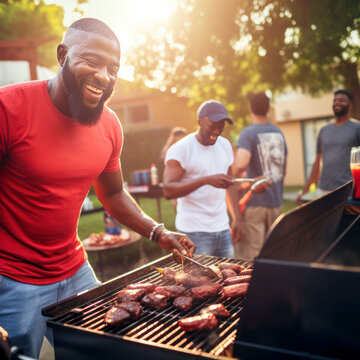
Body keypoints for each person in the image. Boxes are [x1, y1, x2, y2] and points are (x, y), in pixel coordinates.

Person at [0, 18, 195, 359]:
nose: (105, 77)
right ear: (63, 56)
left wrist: (158, 232)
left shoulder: (109, 125)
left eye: (113, 68)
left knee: (106, 350)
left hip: (75, 270)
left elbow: (114, 194)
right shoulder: (8, 108)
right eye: (92, 61)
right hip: (13, 279)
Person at [163, 100, 242, 258]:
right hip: (194, 232)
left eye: (221, 126)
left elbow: (230, 184)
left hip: (222, 229)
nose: (217, 130)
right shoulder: (181, 149)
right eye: (212, 125)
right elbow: (168, 190)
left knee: (226, 278)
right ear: (199, 122)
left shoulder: (225, 145)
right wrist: (205, 180)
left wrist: (237, 218)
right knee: (198, 281)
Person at [233, 92, 287, 260]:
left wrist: (230, 178)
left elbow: (241, 163)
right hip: (276, 202)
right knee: (275, 253)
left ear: (251, 109)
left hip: (254, 203)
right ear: (268, 109)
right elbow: (283, 166)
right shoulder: (278, 133)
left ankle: (250, 287)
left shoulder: (248, 133)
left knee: (250, 256)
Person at [297, 90, 360, 204]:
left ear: (350, 104)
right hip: (323, 190)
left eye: (342, 100)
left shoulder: (357, 128)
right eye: (335, 100)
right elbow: (317, 163)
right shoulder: (323, 130)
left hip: (347, 191)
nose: (337, 102)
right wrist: (305, 191)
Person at [160, 127, 188, 211]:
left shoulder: (187, 146)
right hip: (174, 176)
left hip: (185, 175)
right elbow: (163, 157)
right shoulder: (170, 147)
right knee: (175, 203)